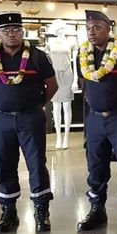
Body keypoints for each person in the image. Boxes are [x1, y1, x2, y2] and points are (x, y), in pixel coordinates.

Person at [0, 11, 58, 233]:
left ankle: (41, 211)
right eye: (6, 30)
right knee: (4, 163)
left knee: (36, 164)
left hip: (31, 117)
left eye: (16, 30)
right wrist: (0, 104)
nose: (11, 34)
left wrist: (37, 104)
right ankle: (8, 212)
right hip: (2, 119)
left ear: (23, 32)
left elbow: (52, 85)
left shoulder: (37, 56)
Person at [76, 10, 117, 231]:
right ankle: (97, 209)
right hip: (94, 119)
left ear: (108, 29)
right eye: (88, 28)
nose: (91, 32)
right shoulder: (82, 54)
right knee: (95, 163)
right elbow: (83, 82)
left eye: (96, 27)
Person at [45, 19, 77, 150]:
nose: (60, 31)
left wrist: (75, 80)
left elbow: (75, 62)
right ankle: (58, 137)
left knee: (67, 106)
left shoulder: (71, 42)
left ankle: (66, 138)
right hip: (54, 74)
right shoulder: (50, 43)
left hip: (67, 74)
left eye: (62, 28)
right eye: (58, 29)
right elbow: (47, 61)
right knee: (56, 107)